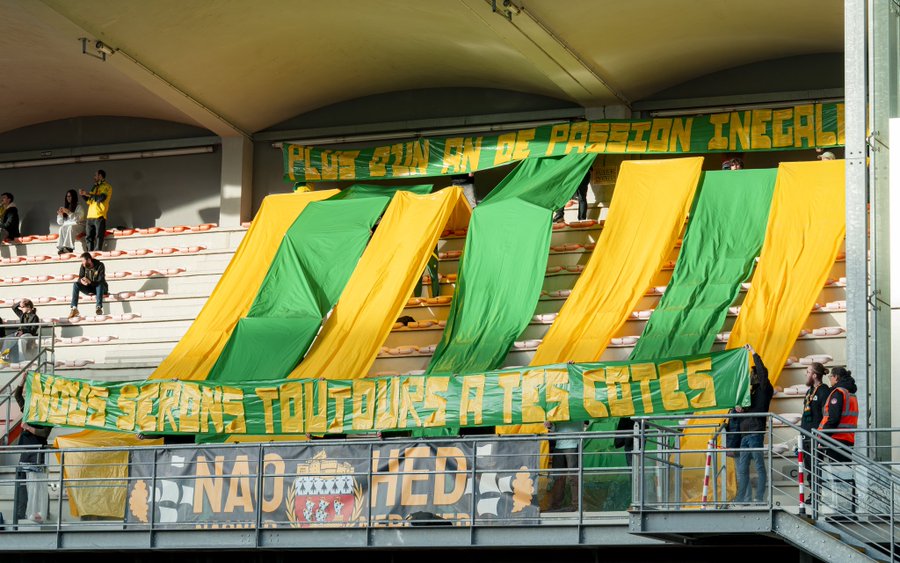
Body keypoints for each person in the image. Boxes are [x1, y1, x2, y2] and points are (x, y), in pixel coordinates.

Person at [733, 344, 774, 504]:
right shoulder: (751, 391)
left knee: (759, 466)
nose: (750, 376)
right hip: (745, 434)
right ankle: (742, 498)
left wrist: (753, 353)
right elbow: (747, 409)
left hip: (756, 432)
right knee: (742, 469)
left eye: (752, 373)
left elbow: (762, 372)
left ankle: (759, 497)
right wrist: (739, 410)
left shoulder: (765, 387)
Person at [14, 382, 52, 524]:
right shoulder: (29, 409)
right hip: (26, 451)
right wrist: (22, 382)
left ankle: (43, 513)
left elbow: (44, 433)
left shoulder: (48, 413)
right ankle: (20, 515)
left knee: (39, 484)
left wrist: (28, 427)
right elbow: (17, 396)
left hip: (37, 453)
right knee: (21, 484)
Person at [800, 362, 831, 503]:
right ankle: (813, 493)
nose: (805, 374)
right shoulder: (809, 391)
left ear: (814, 375)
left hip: (816, 436)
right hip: (805, 436)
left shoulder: (824, 391)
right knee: (808, 467)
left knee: (816, 466)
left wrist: (821, 436)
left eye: (807, 372)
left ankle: (817, 495)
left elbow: (826, 415)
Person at [818, 367, 858, 462]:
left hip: (836, 439)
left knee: (837, 469)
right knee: (844, 469)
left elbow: (833, 419)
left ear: (836, 377)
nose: (830, 379)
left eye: (830, 376)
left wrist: (823, 438)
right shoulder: (851, 394)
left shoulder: (838, 393)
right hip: (848, 439)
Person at [545, 420, 586, 511]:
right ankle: (556, 505)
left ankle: (577, 506)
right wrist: (550, 425)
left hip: (573, 443)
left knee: (574, 477)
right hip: (559, 445)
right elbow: (555, 428)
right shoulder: (556, 412)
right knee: (558, 477)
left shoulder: (577, 412)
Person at [80, 169, 112, 251]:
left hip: (99, 215)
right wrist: (83, 195)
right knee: (88, 237)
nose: (94, 177)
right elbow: (89, 200)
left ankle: (97, 252)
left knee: (98, 236)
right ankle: (90, 253)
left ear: (100, 176)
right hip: (90, 215)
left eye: (95, 175)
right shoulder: (94, 187)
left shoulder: (107, 186)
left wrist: (88, 194)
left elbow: (101, 198)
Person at [68, 252, 108, 318]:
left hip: (101, 288)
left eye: (83, 261)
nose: (82, 263)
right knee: (76, 284)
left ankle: (98, 307)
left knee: (100, 284)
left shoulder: (100, 265)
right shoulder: (83, 266)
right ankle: (74, 308)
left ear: (89, 260)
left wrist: (90, 282)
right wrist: (81, 281)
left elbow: (100, 280)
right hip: (90, 288)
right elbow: (80, 277)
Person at [56, 189, 86, 255]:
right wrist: (60, 215)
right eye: (67, 196)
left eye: (70, 196)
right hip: (69, 226)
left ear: (74, 197)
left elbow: (78, 219)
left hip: (79, 226)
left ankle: (69, 248)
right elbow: (60, 223)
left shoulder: (79, 207)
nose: (68, 198)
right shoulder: (66, 207)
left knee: (71, 227)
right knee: (61, 228)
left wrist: (68, 212)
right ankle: (61, 247)